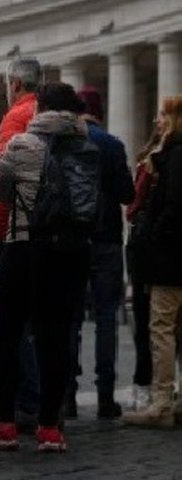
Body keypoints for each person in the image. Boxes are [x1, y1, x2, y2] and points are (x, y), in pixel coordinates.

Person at [0, 82, 93, 453]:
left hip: (23, 247)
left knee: (8, 335)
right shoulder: (87, 147)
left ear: (39, 108)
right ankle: (50, 427)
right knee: (56, 337)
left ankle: (6, 422)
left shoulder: (22, 145)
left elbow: (0, 193)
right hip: (70, 253)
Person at [0, 57, 41, 424]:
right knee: (32, 326)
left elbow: (5, 189)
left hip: (14, 234)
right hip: (46, 234)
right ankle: (30, 399)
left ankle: (16, 399)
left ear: (15, 84)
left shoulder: (16, 118)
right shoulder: (50, 114)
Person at [66, 87, 134, 418]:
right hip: (106, 240)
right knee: (107, 318)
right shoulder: (112, 145)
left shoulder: (66, 144)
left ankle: (67, 396)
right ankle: (105, 396)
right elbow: (126, 194)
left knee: (71, 320)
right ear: (100, 111)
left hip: (72, 240)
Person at [124, 95, 182, 427]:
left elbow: (173, 206)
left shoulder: (173, 158)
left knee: (161, 329)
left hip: (169, 260)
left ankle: (161, 403)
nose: (157, 120)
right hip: (174, 257)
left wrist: (153, 234)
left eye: (162, 114)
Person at [124, 124, 163, 411]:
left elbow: (132, 207)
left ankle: (145, 386)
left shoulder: (148, 163)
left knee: (148, 320)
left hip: (148, 249)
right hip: (164, 250)